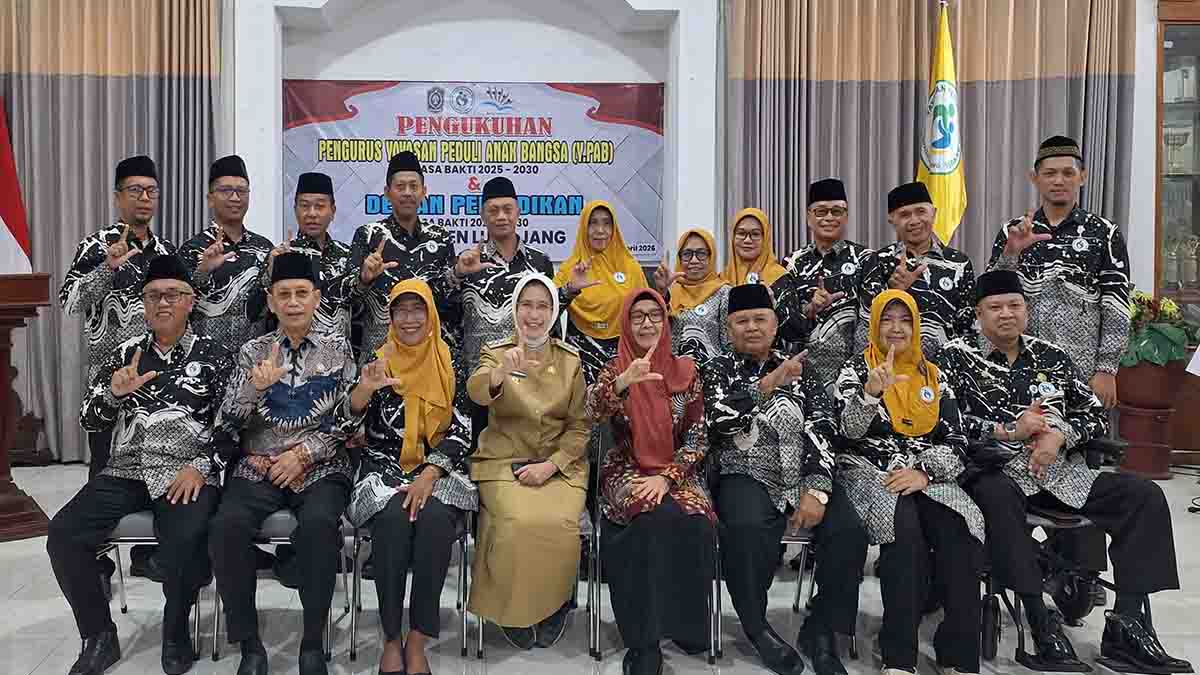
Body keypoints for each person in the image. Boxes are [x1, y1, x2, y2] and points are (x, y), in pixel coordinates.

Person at [940, 270, 1191, 674]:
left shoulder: (1052, 356)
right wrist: (1010, 430)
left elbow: (1093, 414)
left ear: (1027, 310)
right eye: (995, 307)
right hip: (993, 470)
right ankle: (1041, 622)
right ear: (978, 314)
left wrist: (1059, 435)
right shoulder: (954, 357)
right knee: (998, 498)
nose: (1006, 314)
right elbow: (942, 423)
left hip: (1059, 473)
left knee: (1143, 496)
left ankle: (1127, 626)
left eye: (1014, 305)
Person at [47, 255, 227, 675]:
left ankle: (176, 632)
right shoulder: (124, 354)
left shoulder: (215, 355)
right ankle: (98, 635)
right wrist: (112, 395)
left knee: (186, 537)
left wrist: (202, 466)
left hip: (184, 470)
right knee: (63, 534)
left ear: (190, 301)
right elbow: (89, 420)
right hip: (127, 469)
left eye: (172, 295)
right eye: (153, 296)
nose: (162, 303)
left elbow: (233, 425)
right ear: (143, 304)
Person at [985, 136, 1134, 597]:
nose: (1059, 180)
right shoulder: (1015, 230)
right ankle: (1017, 565)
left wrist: (1107, 367)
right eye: (1050, 173)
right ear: (1035, 178)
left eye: (1068, 172)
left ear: (1082, 177)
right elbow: (990, 295)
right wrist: (1012, 252)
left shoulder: (1103, 233)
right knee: (1017, 465)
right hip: (1018, 374)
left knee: (1078, 467)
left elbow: (1116, 304)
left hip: (1080, 375)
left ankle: (1079, 577)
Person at [208, 252, 359, 675]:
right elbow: (226, 423)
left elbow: (349, 421)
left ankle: (312, 642)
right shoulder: (252, 352)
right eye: (284, 294)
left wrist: (303, 454)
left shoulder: (337, 349)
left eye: (301, 293)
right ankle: (249, 645)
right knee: (226, 527)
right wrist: (252, 390)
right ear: (271, 301)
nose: (293, 302)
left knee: (318, 527)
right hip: (257, 466)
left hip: (320, 468)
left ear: (316, 299)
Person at [834, 289, 984, 675]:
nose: (896, 328)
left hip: (927, 475)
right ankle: (899, 654)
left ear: (916, 327)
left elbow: (957, 440)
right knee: (903, 532)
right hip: (871, 473)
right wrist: (870, 394)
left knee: (961, 528)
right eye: (887, 319)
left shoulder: (933, 375)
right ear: (874, 325)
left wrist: (925, 472)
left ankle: (958, 653)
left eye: (905, 320)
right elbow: (847, 433)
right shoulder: (855, 369)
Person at [701, 283, 842, 675]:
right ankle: (756, 626)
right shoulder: (716, 369)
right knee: (745, 527)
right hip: (744, 470)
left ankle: (823, 628)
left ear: (776, 324)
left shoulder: (803, 368)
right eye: (741, 321)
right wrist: (767, 385)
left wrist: (817, 489)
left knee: (847, 529)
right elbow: (717, 422)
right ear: (728, 329)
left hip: (803, 473)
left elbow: (822, 426)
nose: (751, 327)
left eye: (759, 319)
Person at [344, 279, 477, 675]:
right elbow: (345, 427)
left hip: (438, 468)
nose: (409, 319)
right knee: (392, 521)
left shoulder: (450, 361)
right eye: (400, 310)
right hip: (383, 467)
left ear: (430, 313)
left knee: (434, 521)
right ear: (390, 316)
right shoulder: (377, 361)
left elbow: (463, 429)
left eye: (417, 309)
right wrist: (362, 392)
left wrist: (430, 473)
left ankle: (417, 638)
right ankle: (390, 637)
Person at [586, 288, 715, 675]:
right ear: (626, 323)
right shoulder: (614, 369)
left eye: (654, 315)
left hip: (676, 469)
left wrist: (667, 476)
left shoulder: (686, 371)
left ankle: (686, 625)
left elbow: (697, 438)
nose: (646, 323)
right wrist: (623, 382)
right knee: (649, 522)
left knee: (697, 524)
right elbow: (591, 411)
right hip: (625, 467)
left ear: (666, 321)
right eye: (637, 316)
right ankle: (644, 642)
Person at [466, 273, 590, 649]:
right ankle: (512, 608)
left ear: (554, 312)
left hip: (559, 465)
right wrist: (499, 373)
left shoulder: (570, 361)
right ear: (515, 309)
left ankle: (554, 605)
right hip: (504, 461)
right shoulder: (496, 351)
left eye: (542, 306)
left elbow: (580, 426)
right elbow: (476, 391)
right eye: (526, 305)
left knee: (559, 523)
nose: (534, 315)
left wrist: (552, 466)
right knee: (516, 521)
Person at [60, 155, 177, 477]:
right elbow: (69, 302)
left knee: (156, 472)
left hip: (158, 381)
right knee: (105, 473)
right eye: (135, 190)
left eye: (151, 191)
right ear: (118, 197)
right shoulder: (96, 246)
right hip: (108, 382)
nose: (144, 198)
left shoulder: (167, 251)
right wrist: (107, 268)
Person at [332, 151, 459, 364]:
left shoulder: (440, 238)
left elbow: (449, 305)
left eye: (413, 186)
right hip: (380, 359)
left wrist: (458, 274)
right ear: (387, 192)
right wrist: (364, 279)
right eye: (400, 187)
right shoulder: (368, 236)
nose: (407, 193)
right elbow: (346, 301)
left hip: (428, 359)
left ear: (424, 192)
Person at [856, 181, 976, 363]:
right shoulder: (879, 260)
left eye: (921, 212)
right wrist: (894, 291)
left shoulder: (958, 263)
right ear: (892, 220)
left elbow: (968, 324)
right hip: (892, 366)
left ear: (934, 213)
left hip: (946, 368)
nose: (914, 221)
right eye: (904, 215)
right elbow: (866, 324)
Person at [773, 178, 871, 386]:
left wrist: (856, 372)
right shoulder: (792, 262)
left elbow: (869, 319)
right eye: (821, 211)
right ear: (809, 217)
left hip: (852, 374)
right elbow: (785, 324)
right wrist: (810, 309)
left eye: (836, 211)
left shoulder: (865, 259)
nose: (829, 217)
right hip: (801, 374)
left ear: (846, 216)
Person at [178, 154, 275, 346]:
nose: (235, 198)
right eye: (226, 190)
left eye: (241, 191)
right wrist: (203, 271)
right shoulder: (192, 249)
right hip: (205, 357)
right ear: (210, 199)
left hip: (255, 358)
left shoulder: (265, 249)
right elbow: (177, 307)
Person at [257, 172, 355, 344]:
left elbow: (359, 312)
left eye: (320, 206)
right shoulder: (280, 255)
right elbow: (255, 313)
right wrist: (269, 273)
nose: (312, 213)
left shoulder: (347, 256)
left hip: (339, 354)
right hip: (290, 352)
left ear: (332, 211)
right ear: (295, 210)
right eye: (304, 206)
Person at [667, 227, 730, 366]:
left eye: (701, 253)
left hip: (711, 373)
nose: (694, 260)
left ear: (711, 257)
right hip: (673, 373)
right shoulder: (670, 293)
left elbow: (729, 344)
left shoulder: (724, 293)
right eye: (687, 254)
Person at [720, 207, 788, 287]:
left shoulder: (781, 279)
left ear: (765, 239)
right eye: (741, 233)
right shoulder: (721, 280)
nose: (747, 240)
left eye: (755, 234)